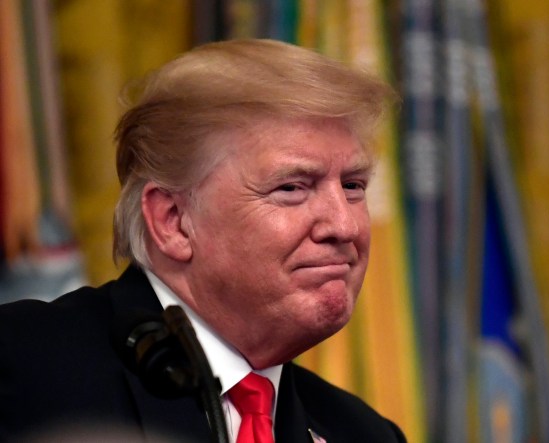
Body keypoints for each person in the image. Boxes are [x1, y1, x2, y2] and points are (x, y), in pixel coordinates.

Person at [0, 39, 405, 442]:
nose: (345, 225)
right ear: (173, 221)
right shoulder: (21, 367)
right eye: (292, 188)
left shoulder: (364, 432)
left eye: (353, 185)